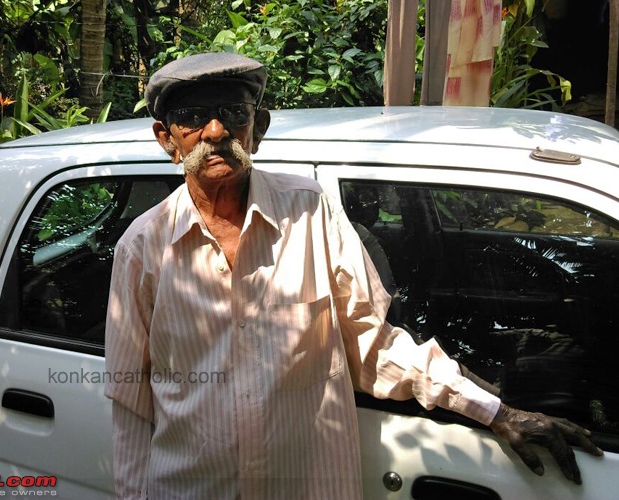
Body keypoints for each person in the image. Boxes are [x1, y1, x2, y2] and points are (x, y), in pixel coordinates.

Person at [104, 52, 602, 499]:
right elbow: (130, 402)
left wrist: (494, 411)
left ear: (259, 127)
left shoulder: (311, 213)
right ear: (166, 138)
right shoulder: (143, 249)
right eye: (192, 118)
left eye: (234, 113)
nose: (216, 132)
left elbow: (373, 345)